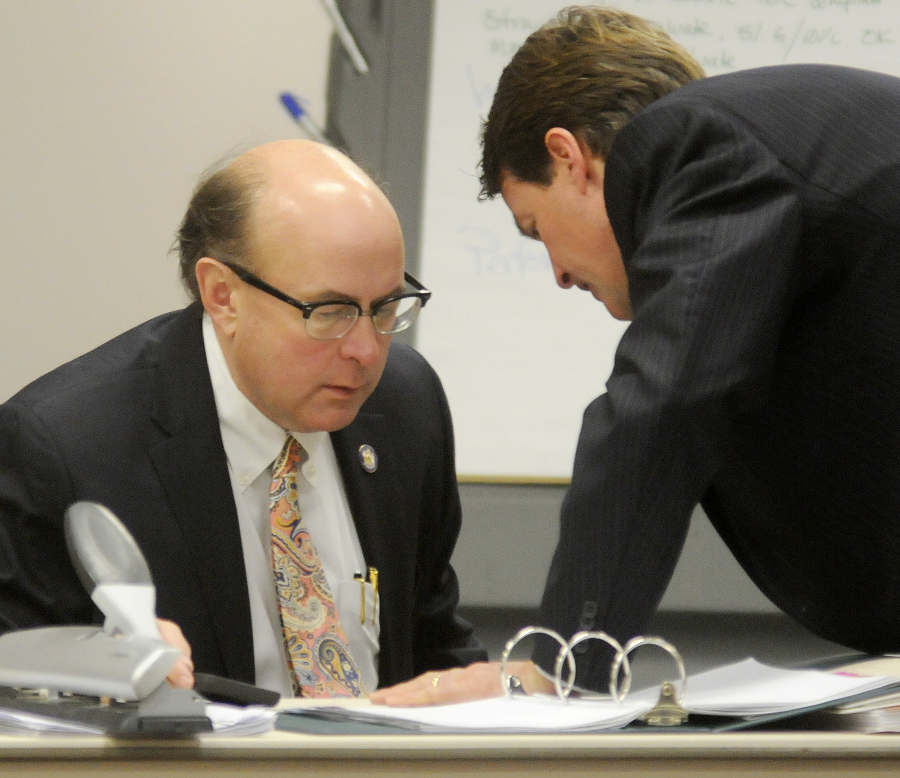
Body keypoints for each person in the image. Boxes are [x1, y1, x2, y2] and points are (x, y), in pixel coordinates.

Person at [372, 5, 900, 705]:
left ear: (570, 157)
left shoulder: (693, 143)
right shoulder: (789, 152)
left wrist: (559, 664)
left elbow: (664, 404)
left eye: (535, 229)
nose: (558, 273)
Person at [0, 138, 485, 695]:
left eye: (387, 306)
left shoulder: (405, 406)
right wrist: (91, 667)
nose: (366, 350)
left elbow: (433, 642)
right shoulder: (60, 449)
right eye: (331, 312)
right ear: (223, 295)